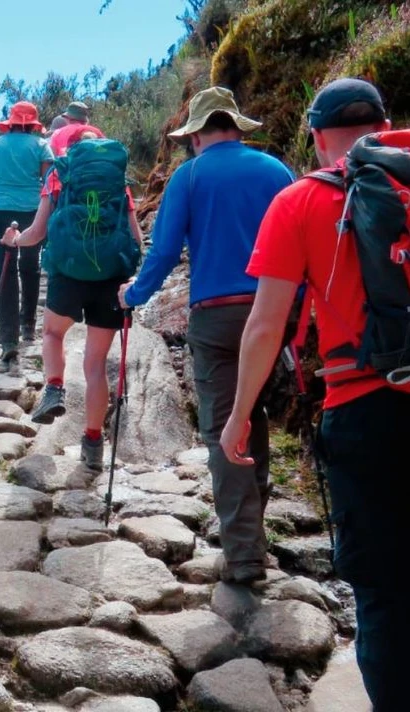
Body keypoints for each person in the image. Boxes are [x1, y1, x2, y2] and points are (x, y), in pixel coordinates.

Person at [220, 77, 409, 710]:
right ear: (385, 124)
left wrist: (239, 415)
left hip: (365, 409)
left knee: (383, 593)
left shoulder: (300, 202)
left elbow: (267, 324)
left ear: (316, 136)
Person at [116, 87, 295, 584]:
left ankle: (244, 555)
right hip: (273, 310)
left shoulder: (189, 176)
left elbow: (165, 251)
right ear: (238, 127)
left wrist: (134, 295)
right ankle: (253, 534)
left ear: (196, 135)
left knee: (223, 427)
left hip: (215, 318)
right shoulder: (277, 172)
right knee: (251, 413)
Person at [3, 124, 144, 471]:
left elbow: (37, 233)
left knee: (53, 334)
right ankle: (93, 443)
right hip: (110, 277)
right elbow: (135, 238)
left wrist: (13, 240)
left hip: (68, 272)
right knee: (96, 366)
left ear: (67, 149)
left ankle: (54, 387)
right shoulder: (118, 183)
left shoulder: (58, 175)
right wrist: (135, 274)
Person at [0, 101, 54, 363]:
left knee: (5, 271)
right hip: (32, 210)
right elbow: (49, 184)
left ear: (11, 123)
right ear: (32, 124)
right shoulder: (41, 146)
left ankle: (8, 340)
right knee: (30, 265)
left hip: (0, 211)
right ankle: (28, 325)